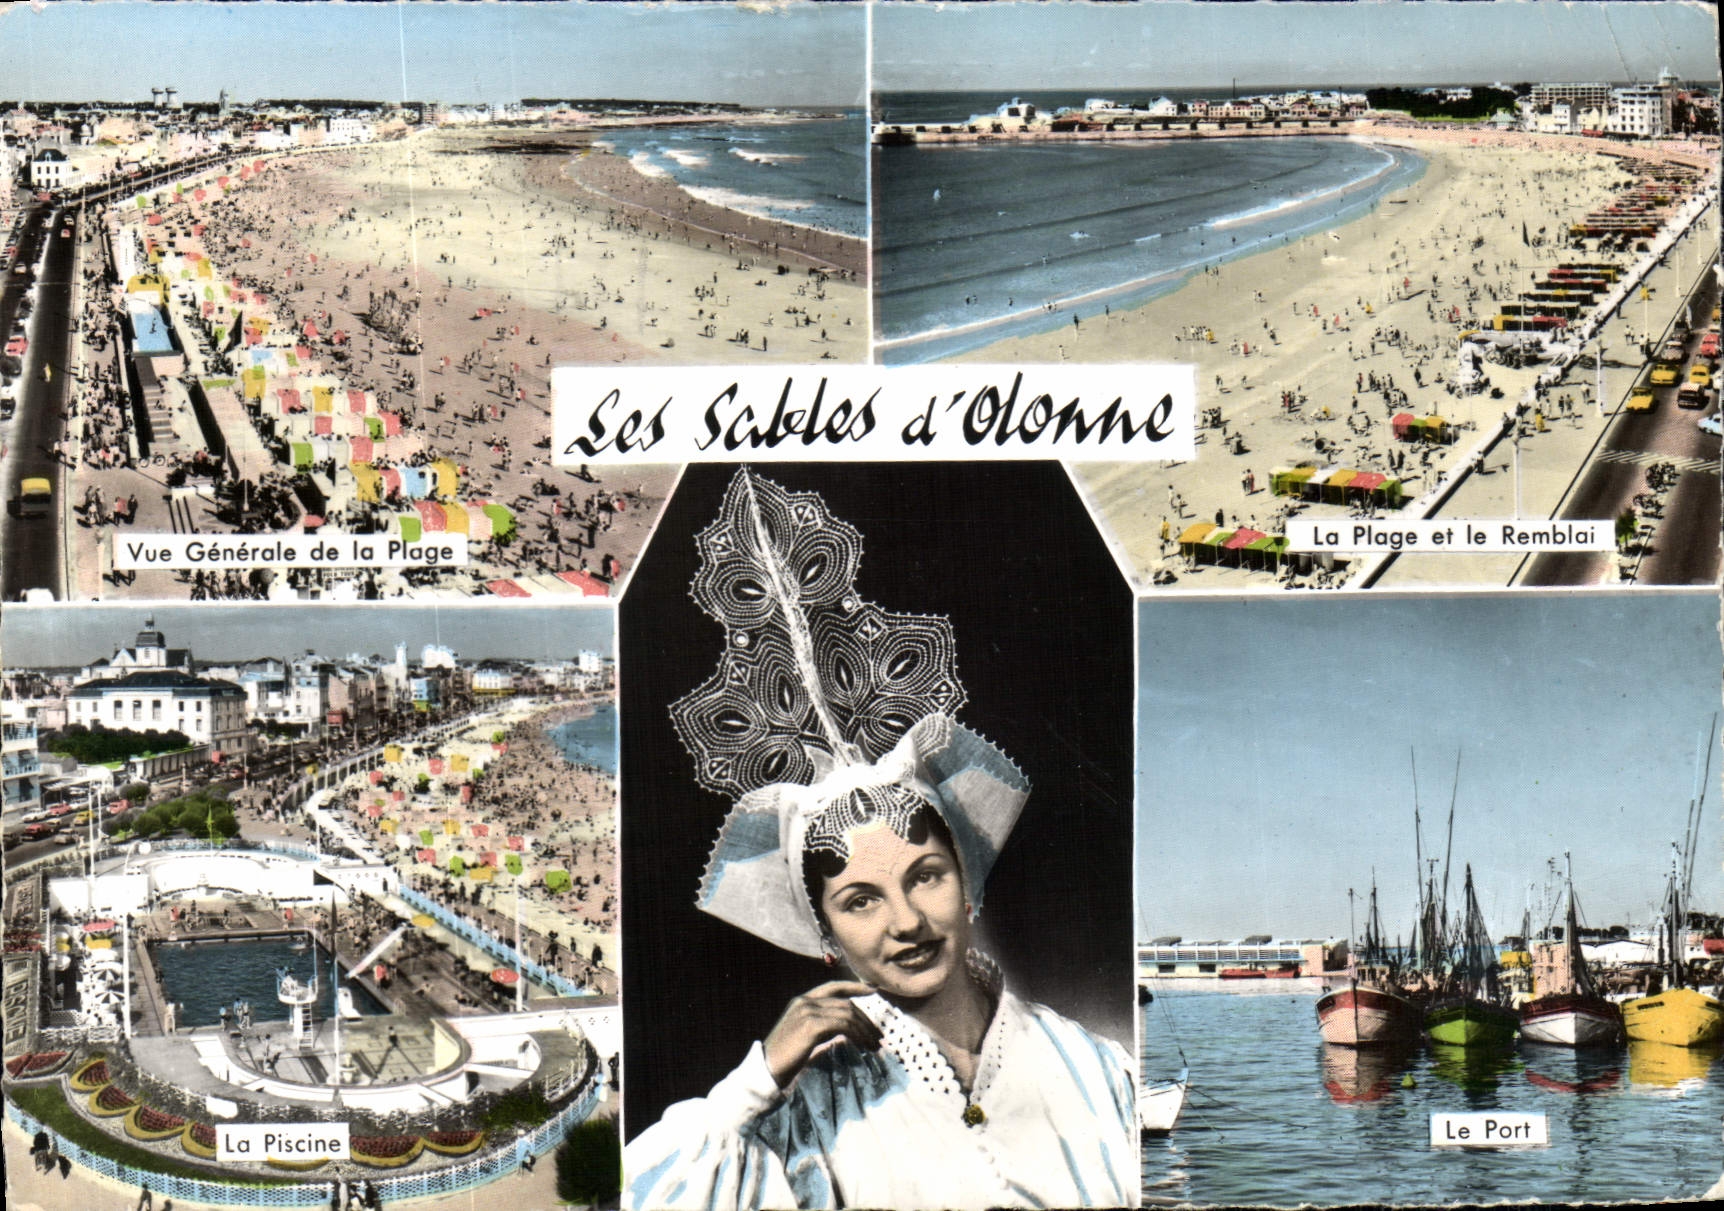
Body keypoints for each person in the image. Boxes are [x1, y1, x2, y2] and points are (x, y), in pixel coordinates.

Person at [622, 471, 1137, 1211]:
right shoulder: (808, 1121)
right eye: (860, 899)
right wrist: (756, 1080)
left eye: (925, 876)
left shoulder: (1094, 1068)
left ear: (969, 881)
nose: (905, 921)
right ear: (824, 935)